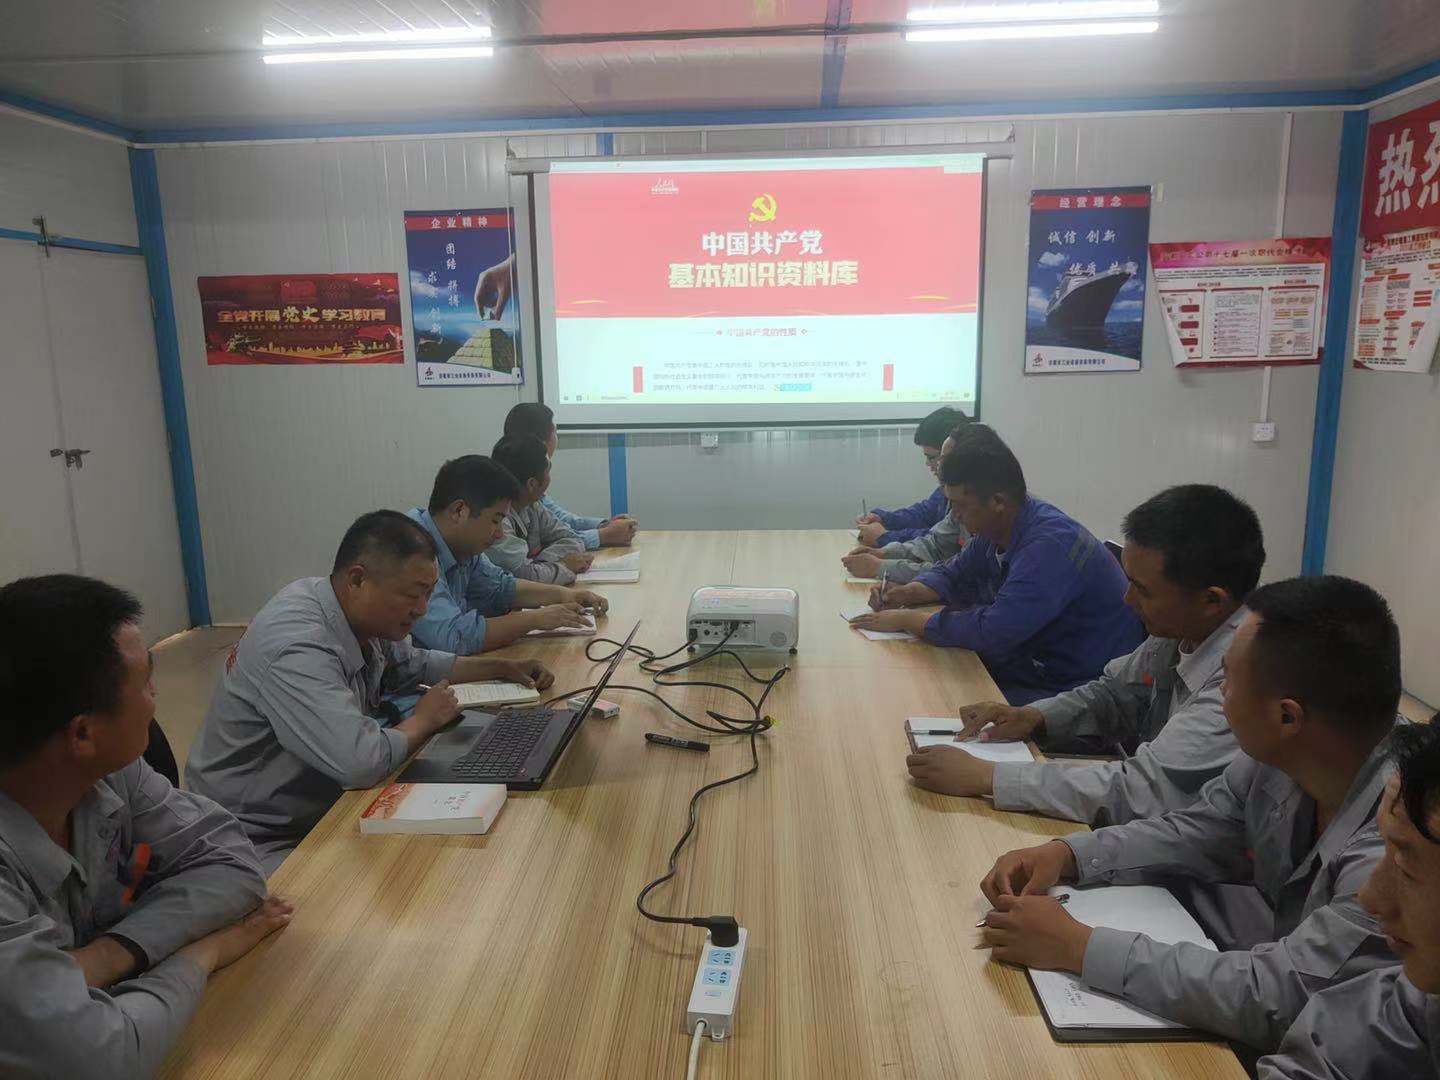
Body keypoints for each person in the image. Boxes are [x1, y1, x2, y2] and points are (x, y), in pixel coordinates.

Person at [974, 575, 1402, 1052]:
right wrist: (1068, 854)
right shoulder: (1287, 756)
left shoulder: (1400, 846)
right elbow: (1200, 830)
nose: (1219, 695)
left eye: (1229, 682)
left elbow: (1282, 996)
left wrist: (1079, 948)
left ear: (1287, 717)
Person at [0, 574, 290, 1078]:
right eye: (143, 684)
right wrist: (202, 954)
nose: (155, 696)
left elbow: (231, 862)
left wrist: (110, 955)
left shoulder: (108, 774)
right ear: (82, 733)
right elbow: (96, 1058)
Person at [186, 511, 555, 872]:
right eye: (413, 594)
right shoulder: (296, 644)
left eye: (428, 594)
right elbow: (359, 762)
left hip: (314, 804)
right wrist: (424, 721)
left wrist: (500, 668)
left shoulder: (354, 613)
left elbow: (414, 663)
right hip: (251, 836)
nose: (422, 610)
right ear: (358, 579)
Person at [907, 484, 1265, 825]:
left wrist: (990, 777)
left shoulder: (1245, 683)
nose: (1128, 600)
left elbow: (1143, 789)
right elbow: (1113, 694)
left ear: (1211, 601)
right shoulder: (1183, 629)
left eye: (1143, 590)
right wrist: (1034, 717)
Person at [852, 424, 1143, 705]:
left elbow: (993, 631)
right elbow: (956, 573)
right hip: (1032, 665)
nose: (954, 515)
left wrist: (910, 620)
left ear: (997, 501)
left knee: (938, 699)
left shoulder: (1049, 546)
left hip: (1075, 687)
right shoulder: (997, 527)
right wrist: (906, 593)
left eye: (960, 505)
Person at [1258, 719, 1440, 1078]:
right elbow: (1323, 1064)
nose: (1370, 898)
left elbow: (1273, 992)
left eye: (1406, 868)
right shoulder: (1423, 997)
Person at [408, 454, 611, 654]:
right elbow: (453, 637)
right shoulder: (412, 551)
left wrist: (565, 595)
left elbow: (501, 587)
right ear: (459, 511)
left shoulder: (462, 546)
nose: (499, 534)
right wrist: (535, 619)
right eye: (495, 521)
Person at [842, 421, 971, 584]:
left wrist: (883, 549)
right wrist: (885, 547)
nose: (935, 466)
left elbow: (958, 574)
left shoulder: (981, 527)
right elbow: (931, 537)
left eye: (936, 458)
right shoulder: (955, 498)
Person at [504, 402, 638, 549]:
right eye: (555, 431)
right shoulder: (519, 493)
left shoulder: (525, 481)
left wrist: (605, 526)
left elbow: (560, 521)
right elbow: (557, 539)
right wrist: (605, 535)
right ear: (542, 441)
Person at [853, 405, 965, 548]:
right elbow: (923, 514)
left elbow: (941, 540)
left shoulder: (968, 496)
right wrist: (883, 519)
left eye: (931, 457)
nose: (928, 464)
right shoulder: (946, 490)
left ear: (952, 454)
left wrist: (886, 537)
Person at [487, 435, 591, 585]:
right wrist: (564, 565)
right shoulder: (497, 521)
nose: (549, 478)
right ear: (532, 484)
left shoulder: (532, 506)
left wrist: (541, 564)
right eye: (548, 471)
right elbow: (526, 577)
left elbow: (573, 539)